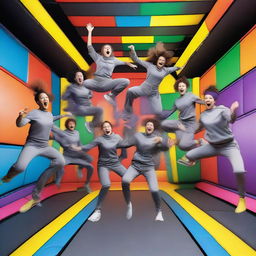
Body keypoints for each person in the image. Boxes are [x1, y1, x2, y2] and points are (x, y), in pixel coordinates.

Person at [178, 86, 246, 213]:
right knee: (189, 155)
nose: (207, 100)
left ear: (214, 100)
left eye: (210, 98)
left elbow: (231, 119)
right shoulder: (203, 115)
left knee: (239, 170)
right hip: (213, 146)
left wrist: (233, 110)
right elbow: (197, 129)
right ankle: (195, 157)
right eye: (205, 98)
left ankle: (242, 199)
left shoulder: (222, 110)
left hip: (229, 146)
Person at [0, 84, 68, 212]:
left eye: (46, 97)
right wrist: (20, 116)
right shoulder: (33, 113)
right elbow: (20, 124)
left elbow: (51, 118)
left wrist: (62, 116)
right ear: (38, 101)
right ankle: (7, 177)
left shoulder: (49, 114)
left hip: (44, 146)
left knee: (61, 161)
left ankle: (36, 197)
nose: (44, 99)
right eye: (41, 98)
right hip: (32, 145)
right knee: (20, 167)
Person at [72, 121, 127, 222]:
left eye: (108, 126)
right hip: (103, 165)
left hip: (115, 164)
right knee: (106, 185)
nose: (107, 128)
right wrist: (78, 148)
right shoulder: (100, 139)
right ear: (103, 129)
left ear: (111, 128)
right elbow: (88, 146)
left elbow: (124, 152)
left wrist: (119, 160)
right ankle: (97, 210)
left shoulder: (117, 138)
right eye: (104, 127)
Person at [121, 119, 173, 221]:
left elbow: (165, 147)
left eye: (151, 125)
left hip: (149, 167)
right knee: (125, 180)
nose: (149, 126)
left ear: (153, 129)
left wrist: (164, 142)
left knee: (154, 190)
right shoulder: (138, 136)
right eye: (148, 124)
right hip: (136, 166)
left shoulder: (157, 138)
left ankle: (159, 211)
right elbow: (126, 143)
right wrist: (115, 142)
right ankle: (128, 204)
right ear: (146, 127)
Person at [123, 43, 181, 121]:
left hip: (153, 94)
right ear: (157, 61)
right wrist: (132, 50)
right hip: (143, 89)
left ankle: (171, 111)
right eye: (160, 59)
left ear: (165, 63)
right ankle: (127, 113)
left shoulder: (166, 70)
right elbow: (136, 59)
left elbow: (174, 68)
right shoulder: (150, 66)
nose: (161, 61)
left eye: (163, 60)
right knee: (130, 91)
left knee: (158, 111)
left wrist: (180, 67)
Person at [84, 23, 137, 107]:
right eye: (105, 48)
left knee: (126, 81)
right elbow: (89, 47)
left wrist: (130, 65)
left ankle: (111, 95)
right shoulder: (98, 57)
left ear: (111, 51)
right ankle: (87, 97)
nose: (107, 49)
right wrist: (89, 32)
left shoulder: (114, 60)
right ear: (102, 50)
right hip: (95, 82)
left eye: (109, 48)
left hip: (107, 83)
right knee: (84, 83)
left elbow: (124, 62)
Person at [160, 76, 205, 157]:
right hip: (180, 123)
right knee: (163, 124)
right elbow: (170, 111)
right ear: (177, 88)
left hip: (190, 125)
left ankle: (199, 142)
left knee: (183, 146)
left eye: (183, 86)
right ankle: (178, 137)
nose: (181, 87)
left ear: (186, 87)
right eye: (179, 86)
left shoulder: (191, 96)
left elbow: (203, 102)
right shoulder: (177, 101)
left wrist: (211, 103)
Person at [51, 118, 93, 193]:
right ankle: (58, 179)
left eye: (73, 123)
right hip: (67, 156)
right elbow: (56, 136)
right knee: (58, 164)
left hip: (77, 156)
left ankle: (80, 171)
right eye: (70, 124)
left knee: (90, 161)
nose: (71, 125)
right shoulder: (63, 133)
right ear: (67, 125)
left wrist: (81, 148)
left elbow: (79, 143)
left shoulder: (77, 132)